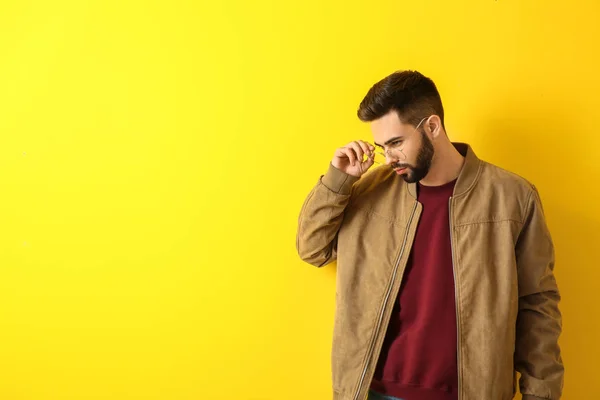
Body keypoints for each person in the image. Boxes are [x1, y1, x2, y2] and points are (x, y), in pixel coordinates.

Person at [295, 70, 563, 400]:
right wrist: (339, 180)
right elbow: (312, 249)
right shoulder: (369, 190)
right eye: (382, 146)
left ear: (432, 126)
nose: (389, 157)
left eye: (396, 143)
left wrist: (541, 394)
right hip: (375, 392)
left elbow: (537, 305)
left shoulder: (512, 197)